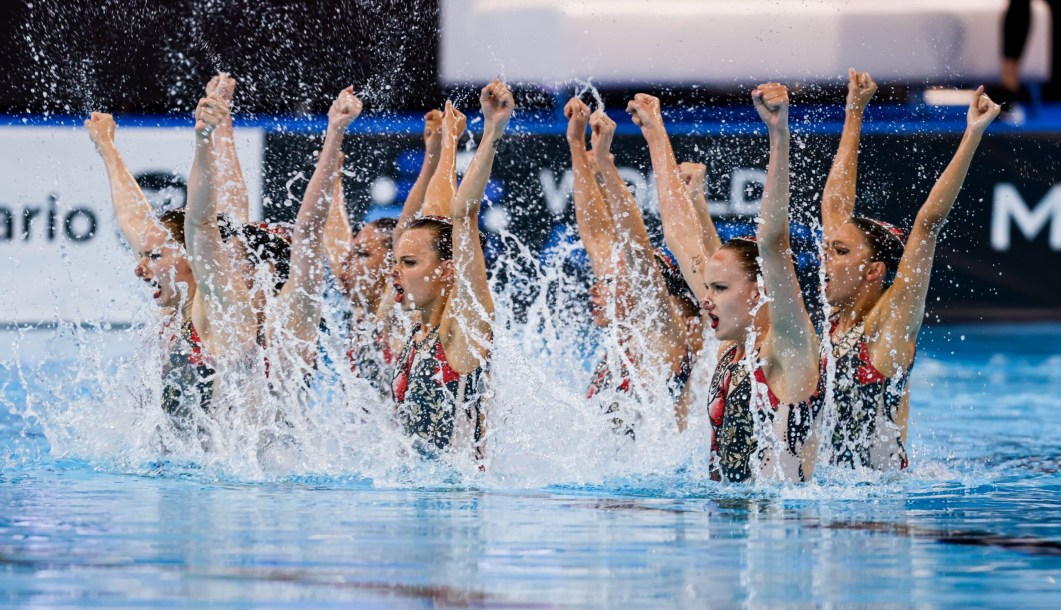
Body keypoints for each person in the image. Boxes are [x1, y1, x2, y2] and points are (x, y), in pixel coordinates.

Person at [820, 71, 1002, 470]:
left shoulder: (890, 322)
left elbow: (927, 224)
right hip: (828, 496)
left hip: (879, 511)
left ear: (873, 271)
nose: (824, 258)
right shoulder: (832, 322)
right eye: (827, 250)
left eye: (839, 251)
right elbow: (835, 207)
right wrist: (854, 112)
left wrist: (972, 133)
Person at [184, 86, 361, 382]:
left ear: (265, 269)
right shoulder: (225, 316)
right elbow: (203, 222)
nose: (222, 265)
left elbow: (309, 230)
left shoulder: (293, 321)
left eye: (233, 258)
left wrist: (335, 133)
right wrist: (206, 139)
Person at [698, 84, 823, 483]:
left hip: (782, 534)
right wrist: (654, 138)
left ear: (756, 291)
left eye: (720, 290)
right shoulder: (732, 355)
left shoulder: (788, 349)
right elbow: (682, 241)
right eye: (709, 289)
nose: (705, 301)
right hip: (726, 529)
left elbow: (773, 243)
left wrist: (778, 134)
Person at [390, 81, 513, 459]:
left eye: (409, 263)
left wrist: (493, 128)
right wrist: (447, 145)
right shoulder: (418, 330)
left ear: (446, 271)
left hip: (455, 508)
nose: (395, 272)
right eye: (397, 262)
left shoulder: (464, 329)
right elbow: (432, 216)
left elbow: (463, 214)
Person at [564, 96, 700, 434]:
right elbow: (596, 235)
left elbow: (636, 247)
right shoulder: (625, 341)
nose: (597, 287)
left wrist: (606, 166)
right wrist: (576, 144)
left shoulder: (664, 337)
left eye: (611, 282)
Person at [324, 110, 444, 394]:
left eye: (363, 255)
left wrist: (433, 158)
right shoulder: (359, 304)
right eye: (354, 255)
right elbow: (335, 239)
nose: (348, 264)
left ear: (392, 264)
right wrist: (332, 175)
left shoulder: (405, 313)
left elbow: (408, 226)